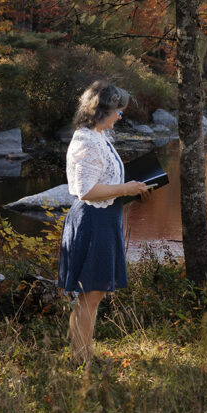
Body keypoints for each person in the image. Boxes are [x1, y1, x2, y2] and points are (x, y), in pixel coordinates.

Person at [58, 80, 150, 367]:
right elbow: (87, 191)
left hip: (104, 218)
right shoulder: (86, 141)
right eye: (117, 111)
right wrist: (126, 189)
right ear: (100, 111)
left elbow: (104, 181)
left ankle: (84, 355)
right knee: (90, 294)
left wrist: (133, 186)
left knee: (93, 295)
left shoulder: (97, 136)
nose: (120, 117)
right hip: (92, 220)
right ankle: (80, 359)